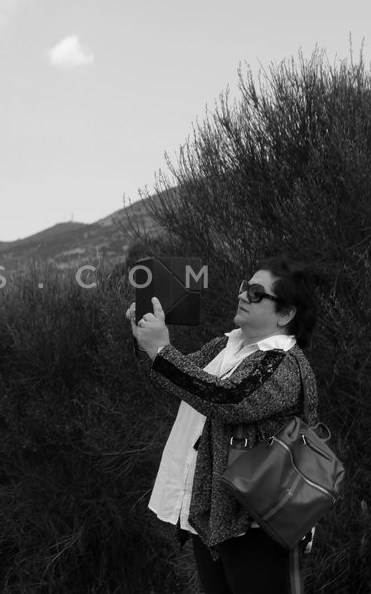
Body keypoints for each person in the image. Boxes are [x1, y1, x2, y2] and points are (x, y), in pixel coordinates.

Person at [126, 255, 319, 594]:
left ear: (286, 313)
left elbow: (228, 399)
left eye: (257, 293)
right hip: (214, 512)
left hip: (258, 521)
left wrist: (161, 350)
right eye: (246, 287)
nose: (243, 295)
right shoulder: (227, 344)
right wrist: (148, 344)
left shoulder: (283, 363)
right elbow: (176, 379)